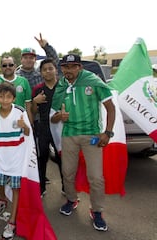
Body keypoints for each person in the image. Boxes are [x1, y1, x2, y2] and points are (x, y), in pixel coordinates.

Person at [50, 54, 115, 231]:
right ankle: (71, 200)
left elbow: (110, 107)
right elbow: (53, 117)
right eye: (65, 67)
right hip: (69, 134)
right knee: (67, 172)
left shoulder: (92, 80)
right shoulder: (61, 84)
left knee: (95, 177)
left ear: (79, 67)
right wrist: (59, 116)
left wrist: (107, 133)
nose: (68, 70)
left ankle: (97, 211)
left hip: (91, 135)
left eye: (72, 67)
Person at [0, 82, 31, 239]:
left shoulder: (20, 112)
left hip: (16, 159)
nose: (4, 100)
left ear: (14, 98)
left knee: (16, 190)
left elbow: (29, 135)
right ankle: (2, 199)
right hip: (0, 158)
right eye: (1, 96)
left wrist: (25, 127)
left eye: (8, 97)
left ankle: (12, 221)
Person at [31, 58, 64, 197]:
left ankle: (66, 187)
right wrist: (35, 101)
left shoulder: (63, 87)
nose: (48, 71)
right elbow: (33, 111)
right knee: (41, 157)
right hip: (43, 127)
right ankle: (41, 188)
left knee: (63, 158)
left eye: (50, 68)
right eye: (44, 69)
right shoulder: (38, 89)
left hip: (61, 128)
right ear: (41, 73)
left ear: (56, 70)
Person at [0, 55, 33, 124]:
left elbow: (28, 105)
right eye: (4, 65)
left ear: (15, 66)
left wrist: (30, 123)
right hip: (0, 122)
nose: (7, 67)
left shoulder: (24, 81)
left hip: (19, 121)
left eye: (10, 65)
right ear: (1, 67)